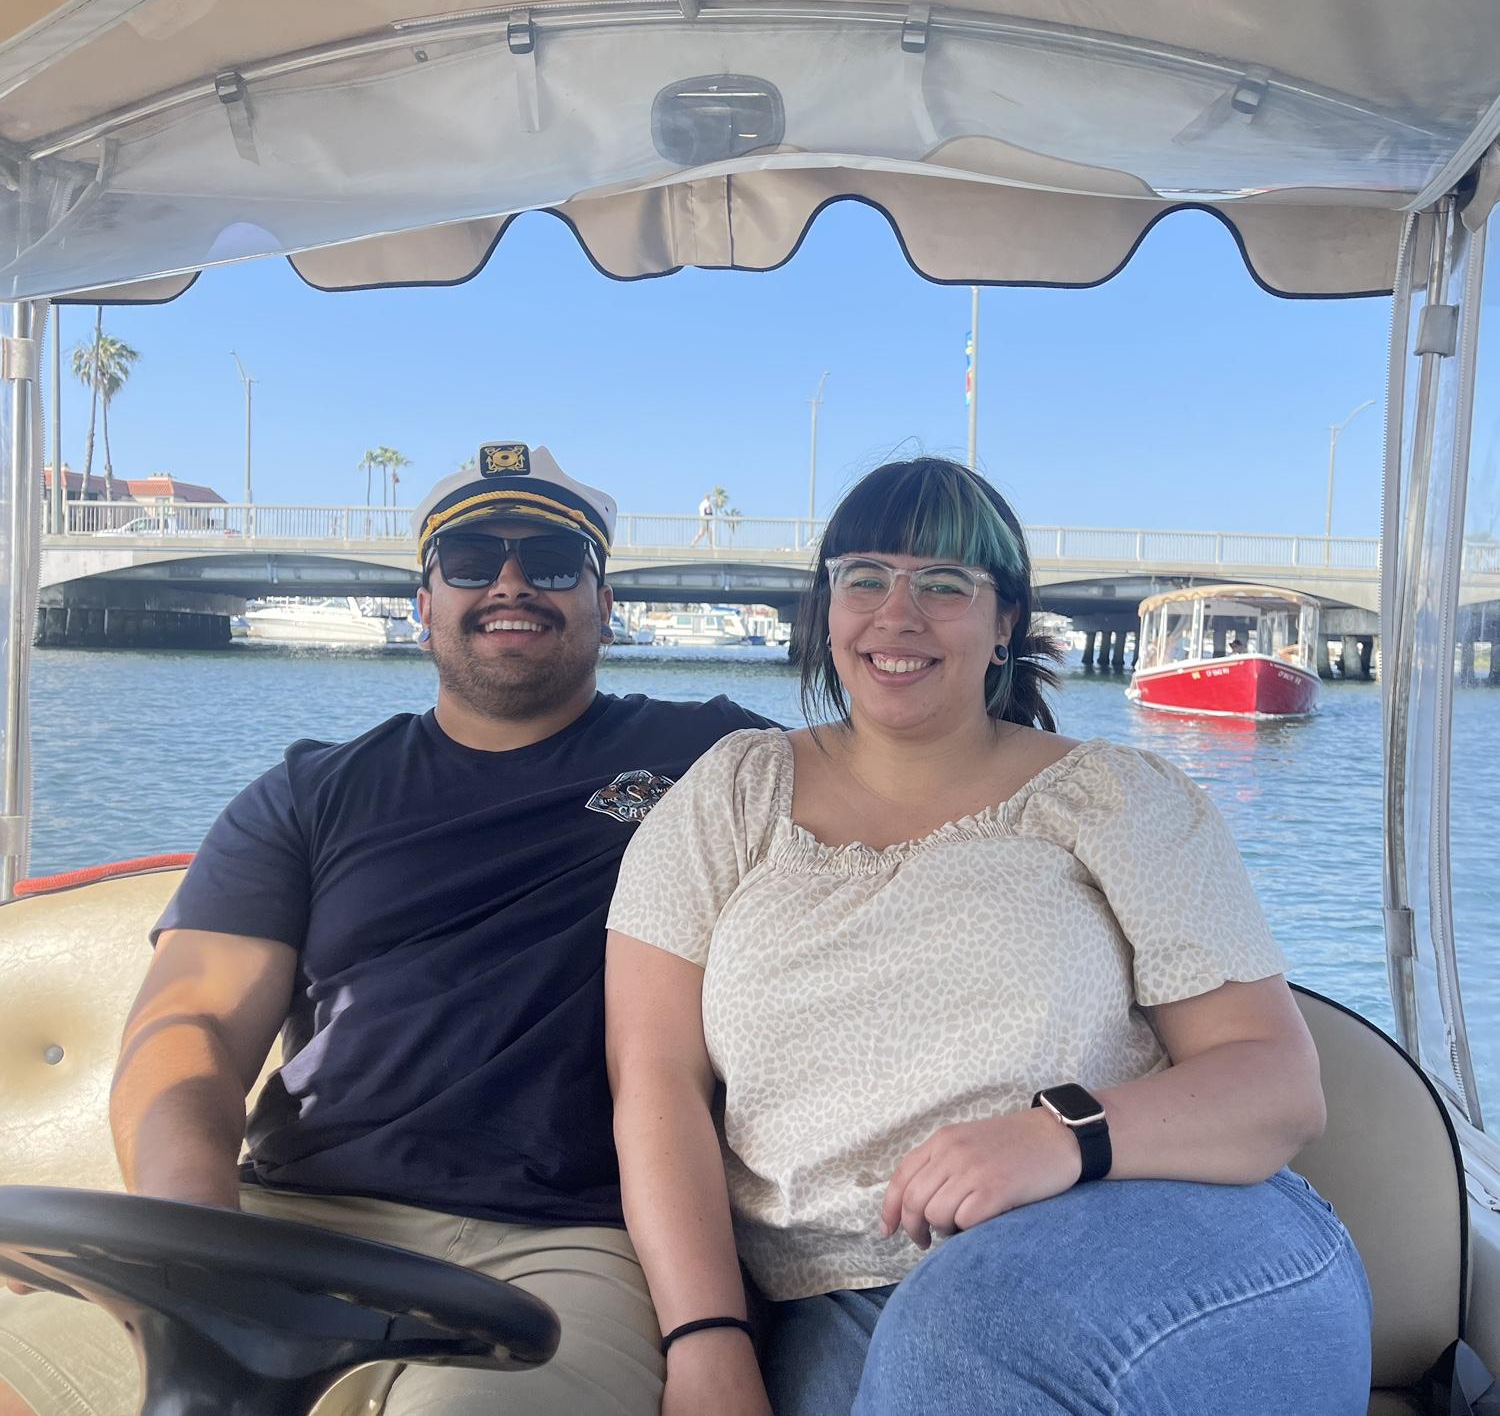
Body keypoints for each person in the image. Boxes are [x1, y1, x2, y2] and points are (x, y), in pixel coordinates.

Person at [0, 441, 771, 1416]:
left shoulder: (717, 756)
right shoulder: (309, 794)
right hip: (289, 1214)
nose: (509, 583)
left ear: (604, 602)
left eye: (550, 561)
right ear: (423, 603)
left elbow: (909, 795)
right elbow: (194, 1026)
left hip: (565, 1242)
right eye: (471, 559)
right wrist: (194, 1239)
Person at [605, 456, 1372, 1416]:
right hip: (843, 1300)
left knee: (963, 1331)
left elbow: (1277, 1083)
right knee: (940, 1346)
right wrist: (706, 1339)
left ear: (1005, 621)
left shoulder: (1116, 798)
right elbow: (656, 1082)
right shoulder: (730, 794)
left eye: (943, 585)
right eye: (865, 579)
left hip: (1154, 1229)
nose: (897, 614)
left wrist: (1057, 1137)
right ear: (827, 609)